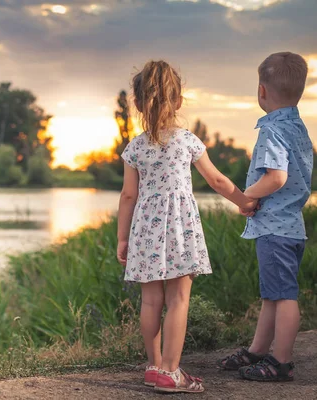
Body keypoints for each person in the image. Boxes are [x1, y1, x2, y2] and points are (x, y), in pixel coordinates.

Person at [117, 60, 258, 393]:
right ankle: (171, 371)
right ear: (178, 101)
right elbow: (217, 179)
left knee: (150, 301)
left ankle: (154, 368)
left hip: (145, 231)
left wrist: (123, 238)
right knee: (178, 299)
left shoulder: (135, 147)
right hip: (179, 227)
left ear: (136, 104)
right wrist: (243, 201)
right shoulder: (187, 140)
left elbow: (127, 196)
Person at [218, 52, 313, 382]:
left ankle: (281, 362)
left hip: (276, 227)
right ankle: (259, 351)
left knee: (284, 295)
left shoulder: (271, 131)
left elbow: (276, 177)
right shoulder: (298, 127)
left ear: (261, 91)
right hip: (291, 227)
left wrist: (248, 197)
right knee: (273, 294)